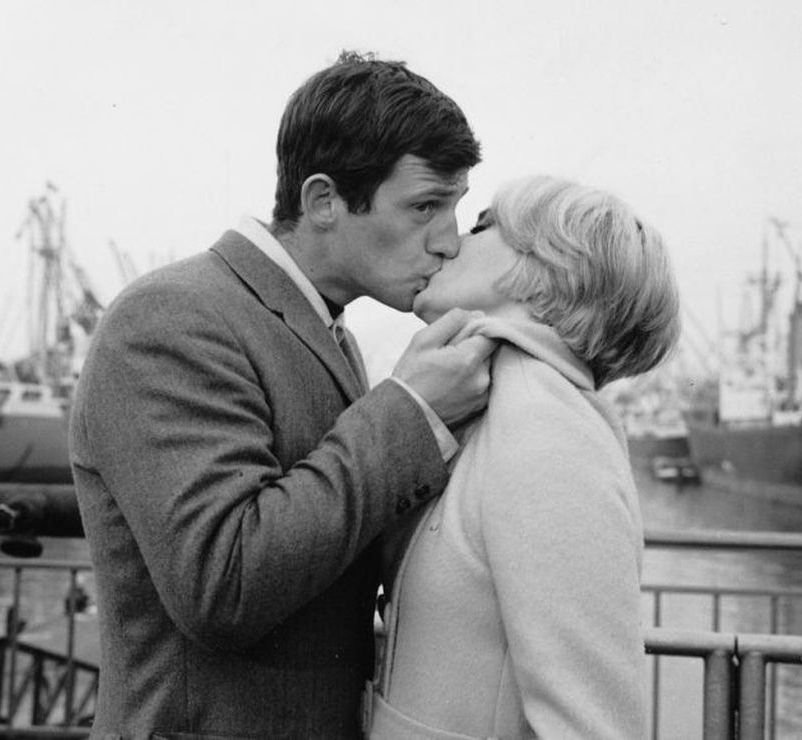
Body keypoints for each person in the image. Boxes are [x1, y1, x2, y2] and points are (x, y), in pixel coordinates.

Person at [70, 51, 496, 738]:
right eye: (425, 206)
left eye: (456, 208)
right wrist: (410, 412)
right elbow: (222, 583)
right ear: (323, 200)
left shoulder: (323, 330)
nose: (448, 242)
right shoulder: (173, 317)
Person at [366, 175, 681, 738]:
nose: (452, 241)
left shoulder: (547, 429)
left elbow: (590, 726)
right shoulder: (500, 406)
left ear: (547, 270)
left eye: (484, 225)